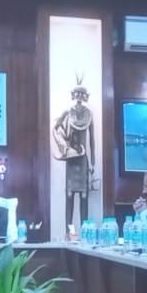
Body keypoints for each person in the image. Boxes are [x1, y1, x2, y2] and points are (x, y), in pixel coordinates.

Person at [52, 80, 96, 229]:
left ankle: (85, 233)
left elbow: (92, 140)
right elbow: (57, 129)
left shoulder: (89, 114)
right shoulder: (67, 113)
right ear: (73, 95)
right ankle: (69, 233)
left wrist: (93, 163)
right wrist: (63, 145)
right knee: (69, 196)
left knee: (84, 197)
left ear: (85, 96)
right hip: (71, 159)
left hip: (83, 160)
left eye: (81, 94)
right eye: (77, 93)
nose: (79, 97)